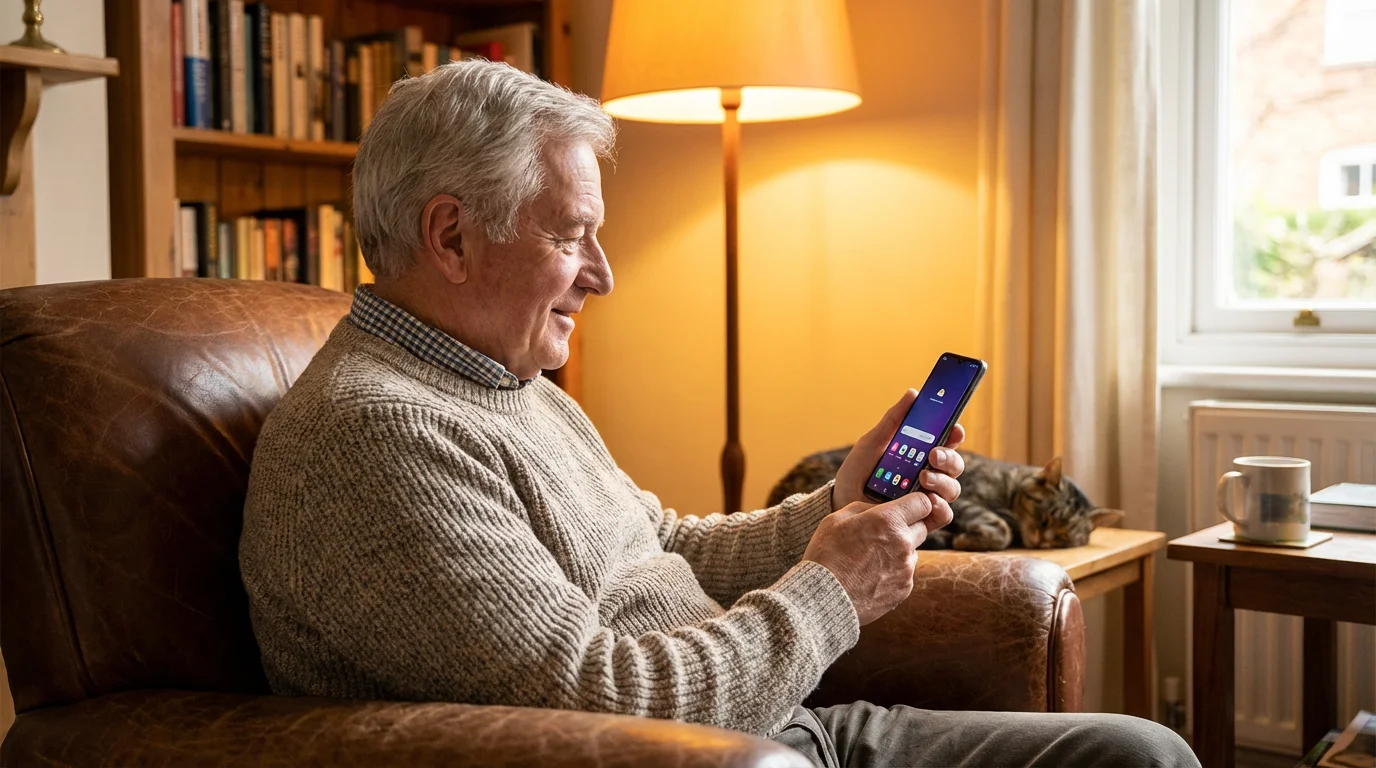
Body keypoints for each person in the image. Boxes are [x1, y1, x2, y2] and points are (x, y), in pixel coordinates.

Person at [239, 60, 1198, 768]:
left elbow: (658, 545)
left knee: (1139, 755)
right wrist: (832, 591)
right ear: (450, 235)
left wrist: (834, 509)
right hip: (713, 754)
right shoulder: (376, 437)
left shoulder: (504, 383)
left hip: (779, 732)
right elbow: (598, 703)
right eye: (573, 235)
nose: (603, 275)